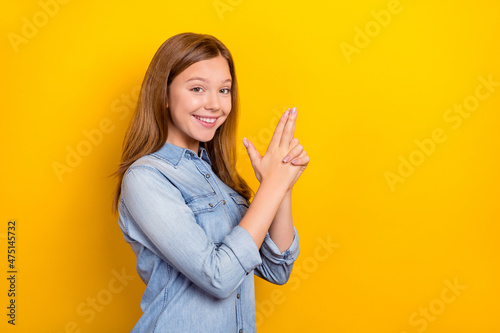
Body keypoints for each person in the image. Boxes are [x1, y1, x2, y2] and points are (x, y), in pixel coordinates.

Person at [112, 32, 310, 333]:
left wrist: (283, 186)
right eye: (197, 88)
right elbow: (219, 277)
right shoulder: (146, 178)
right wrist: (271, 186)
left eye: (224, 90)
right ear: (163, 95)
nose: (215, 104)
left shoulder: (220, 179)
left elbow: (277, 268)